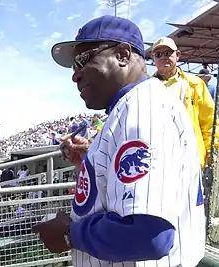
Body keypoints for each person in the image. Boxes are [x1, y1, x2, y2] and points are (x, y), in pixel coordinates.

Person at [32, 15, 205, 267]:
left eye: (82, 61)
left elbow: (148, 235)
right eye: (73, 68)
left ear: (123, 55)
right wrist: (90, 165)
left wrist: (68, 234)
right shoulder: (134, 105)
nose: (75, 76)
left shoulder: (142, 109)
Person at [152, 37, 219, 169]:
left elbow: (209, 123)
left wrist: (213, 150)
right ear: (153, 58)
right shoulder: (144, 87)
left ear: (177, 55)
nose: (163, 57)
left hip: (191, 161)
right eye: (158, 54)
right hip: (157, 162)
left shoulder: (195, 84)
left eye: (168, 53)